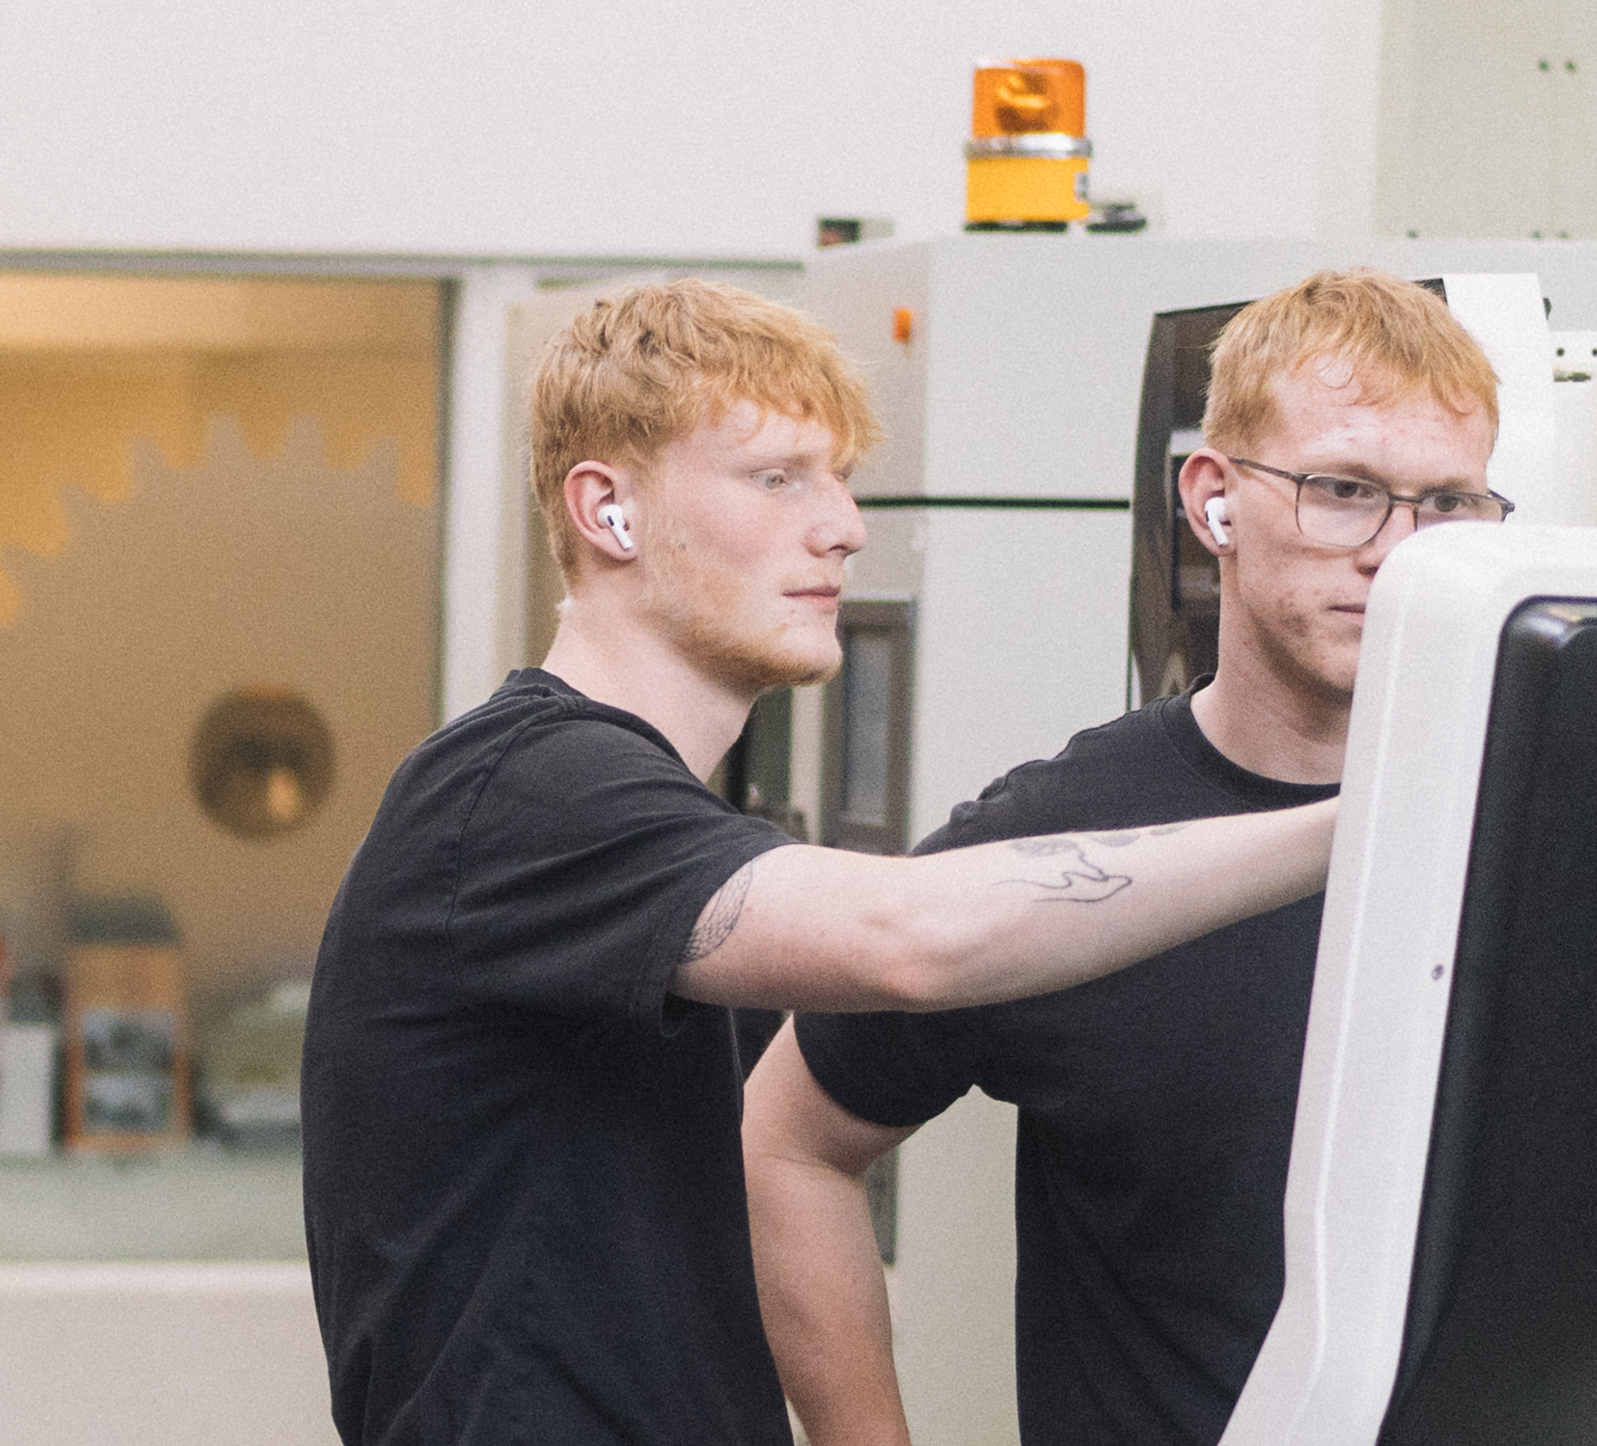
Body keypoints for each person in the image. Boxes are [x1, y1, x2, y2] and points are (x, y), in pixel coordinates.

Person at [300, 277, 1338, 1446]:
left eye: (839, 478)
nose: (843, 525)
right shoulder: (519, 791)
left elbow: (782, 1154)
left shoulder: (641, 816)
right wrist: (1365, 824)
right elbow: (912, 940)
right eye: (778, 478)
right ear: (607, 510)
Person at [746, 266, 1504, 1446]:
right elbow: (786, 1145)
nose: (1398, 548)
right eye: (1344, 490)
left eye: (1448, 503)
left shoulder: (1548, 824)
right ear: (1214, 500)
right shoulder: (1064, 842)